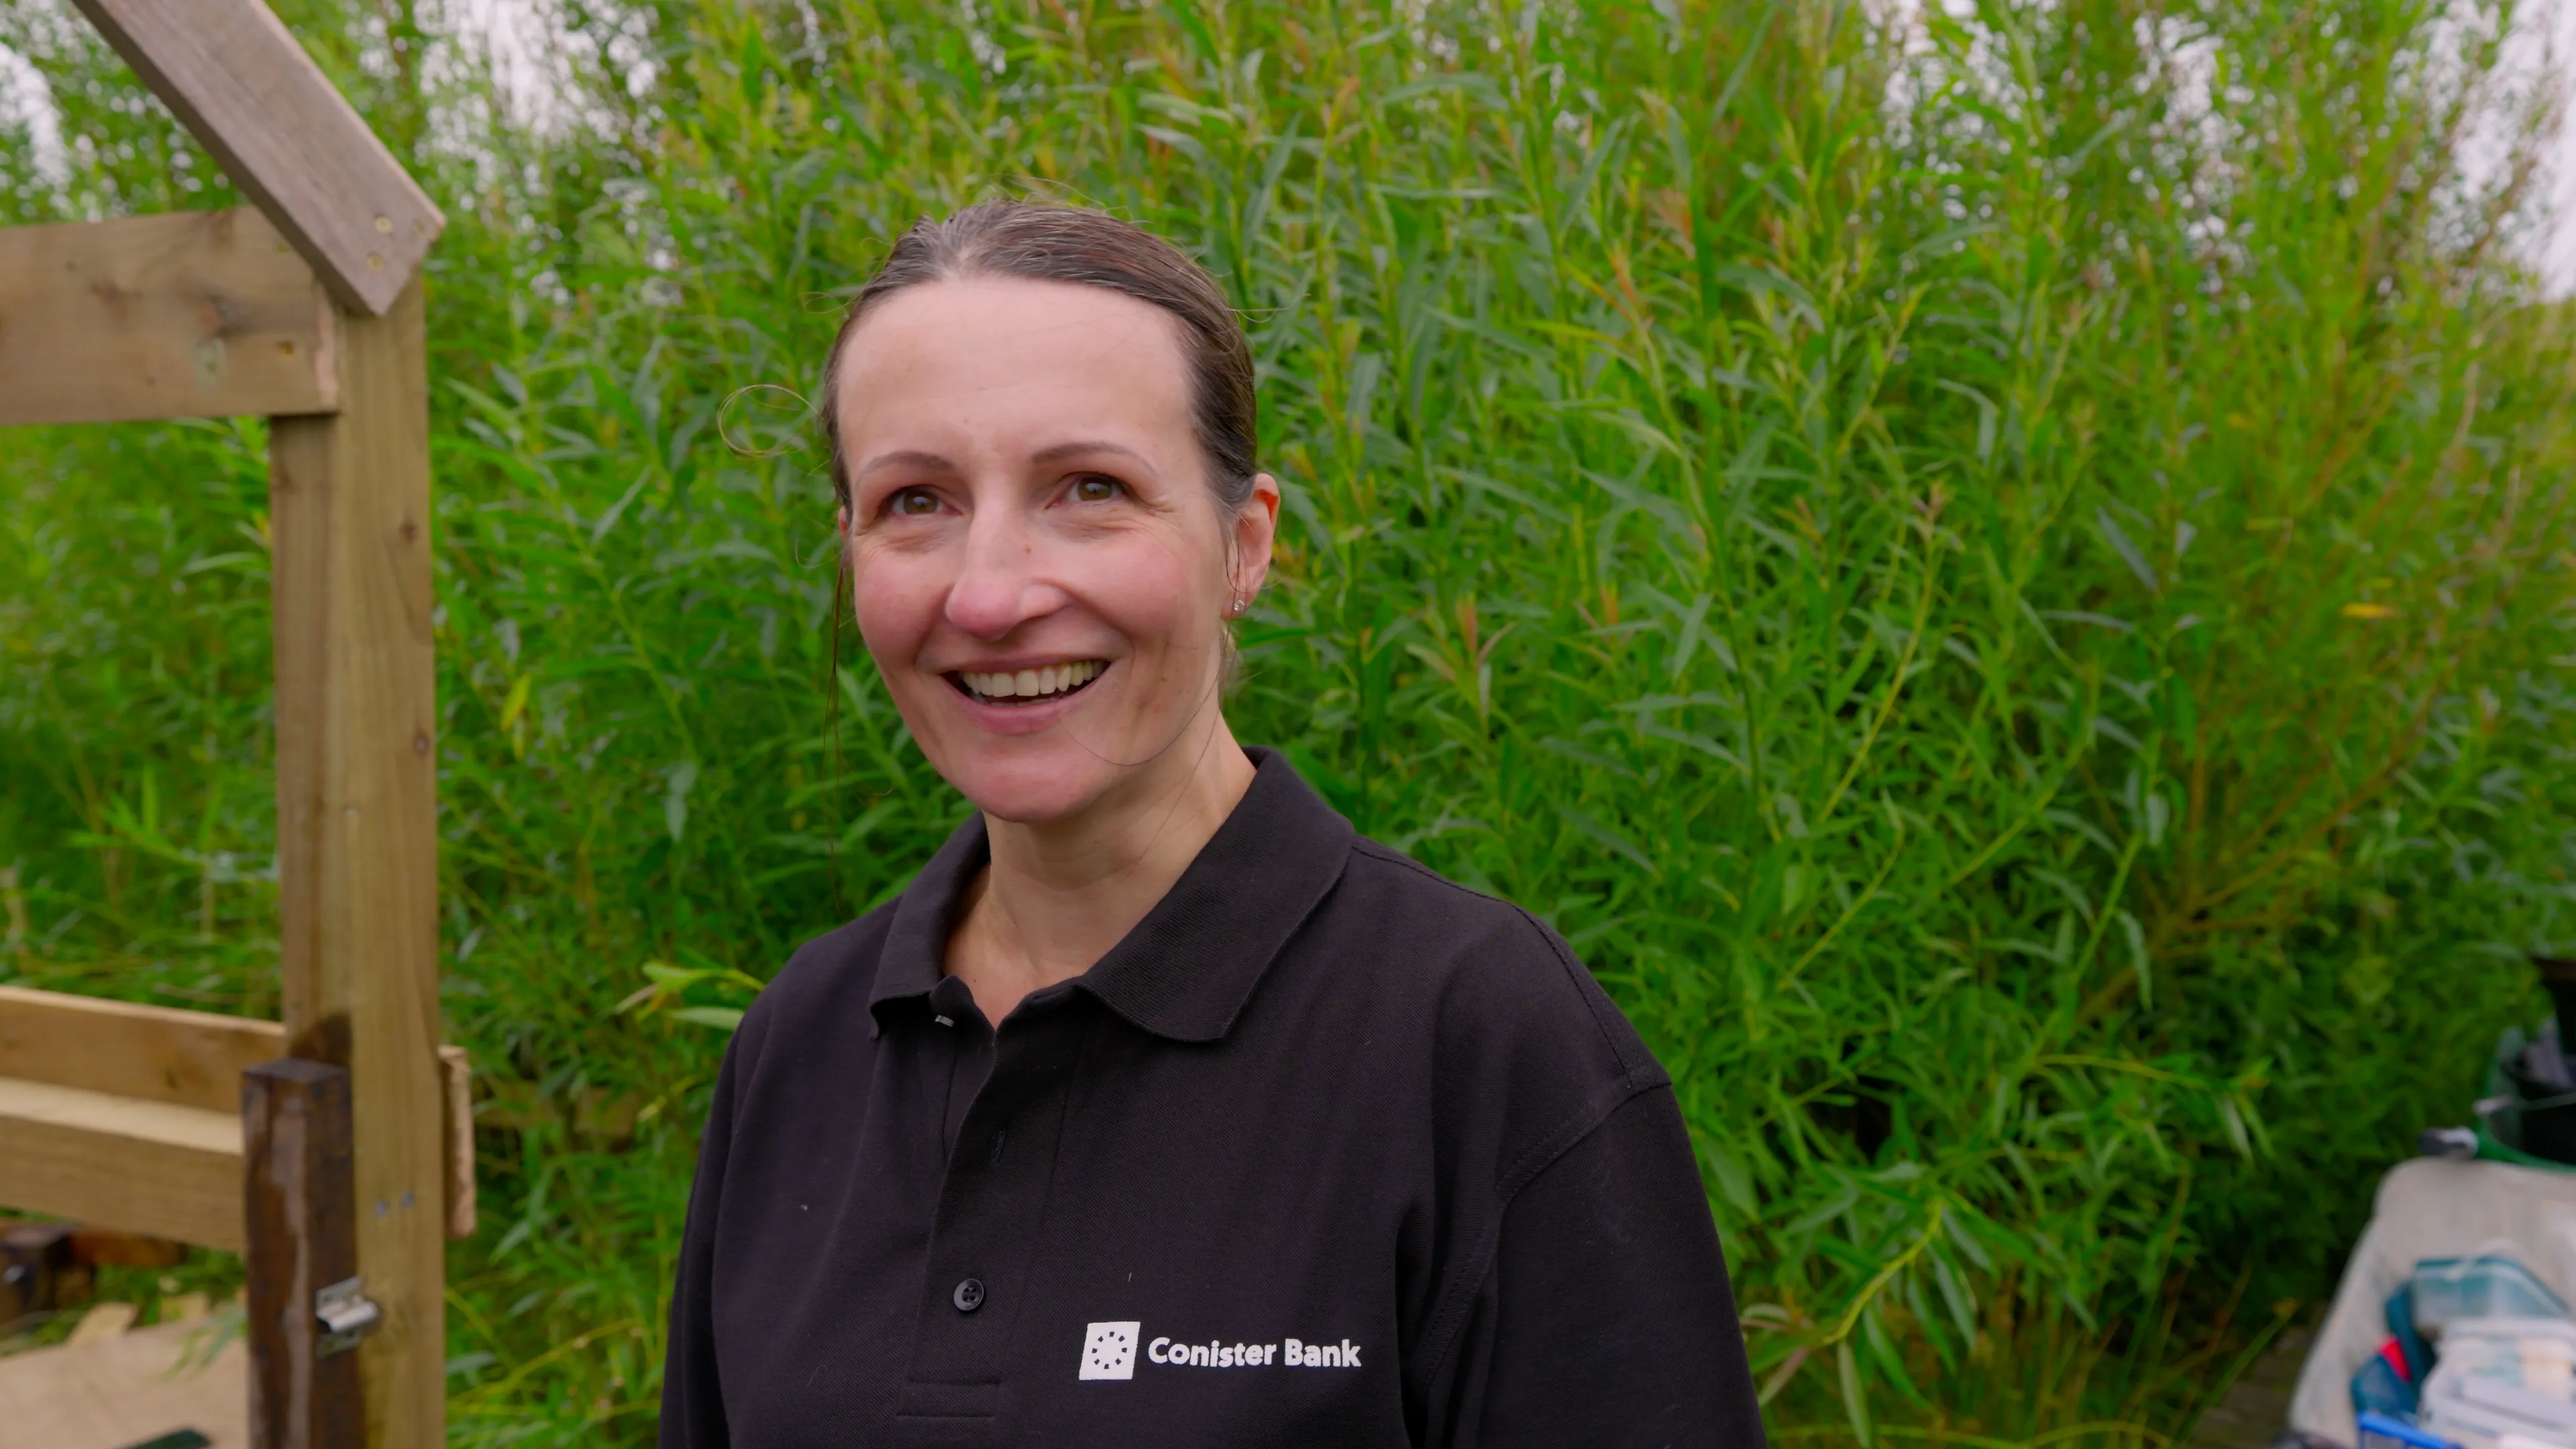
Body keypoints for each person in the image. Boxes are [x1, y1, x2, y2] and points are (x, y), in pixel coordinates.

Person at [659, 201, 1767, 1448]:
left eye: (1090, 488)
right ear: (851, 549)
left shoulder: (1480, 1040)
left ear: (1245, 546)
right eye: (917, 500)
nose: (989, 594)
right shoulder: (799, 1047)